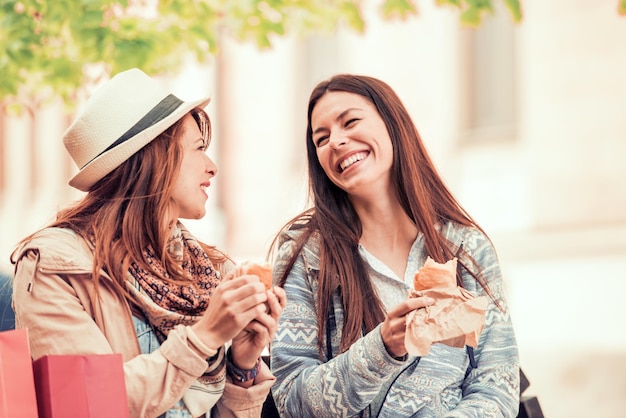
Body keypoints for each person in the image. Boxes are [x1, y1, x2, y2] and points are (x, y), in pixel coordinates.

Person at [10, 68, 286, 418]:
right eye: (199, 148)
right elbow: (88, 405)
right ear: (154, 159)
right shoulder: (55, 266)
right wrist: (203, 337)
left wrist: (243, 364)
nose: (212, 166)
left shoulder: (208, 272)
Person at [269, 74, 520, 417]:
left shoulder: (465, 247)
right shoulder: (305, 253)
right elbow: (291, 400)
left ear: (392, 124)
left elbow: (497, 386)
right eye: (322, 138)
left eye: (351, 121)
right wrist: (383, 347)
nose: (337, 142)